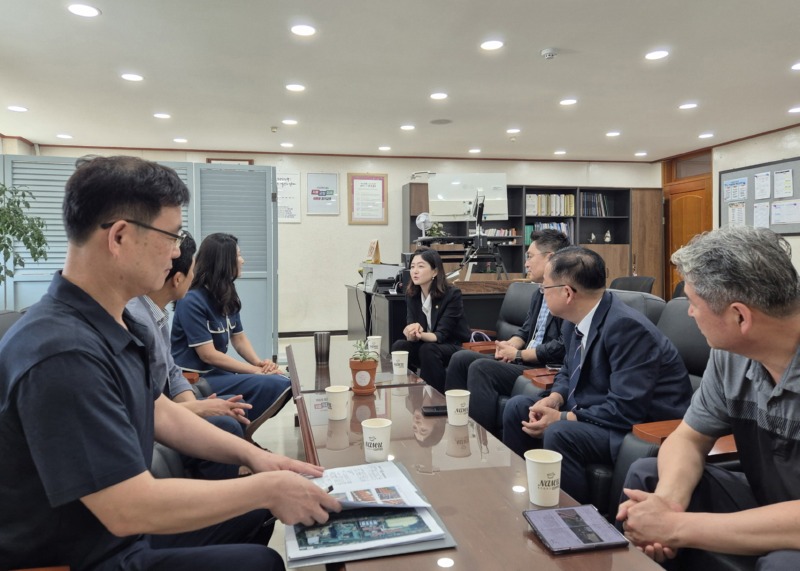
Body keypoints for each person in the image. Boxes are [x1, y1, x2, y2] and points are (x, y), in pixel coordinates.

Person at [0, 156, 340, 571]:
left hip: (116, 533)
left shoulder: (122, 321)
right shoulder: (61, 352)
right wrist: (267, 488)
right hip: (80, 554)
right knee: (261, 562)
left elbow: (161, 412)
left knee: (256, 517)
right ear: (120, 237)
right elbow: (128, 508)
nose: (179, 253)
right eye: (172, 236)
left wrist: (257, 459)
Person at [617, 226, 800, 570]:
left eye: (694, 303)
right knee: (648, 475)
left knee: (785, 563)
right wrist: (667, 504)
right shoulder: (731, 355)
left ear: (740, 316)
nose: (689, 313)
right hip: (766, 500)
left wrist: (677, 527)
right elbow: (688, 437)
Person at [501, 246, 691, 503]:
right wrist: (555, 398)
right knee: (518, 407)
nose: (542, 294)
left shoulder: (627, 328)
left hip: (636, 427)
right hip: (595, 409)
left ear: (567, 293)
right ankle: (523, 493)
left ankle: (574, 518)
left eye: (545, 288)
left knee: (560, 432)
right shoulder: (573, 320)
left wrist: (563, 416)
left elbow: (625, 408)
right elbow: (568, 369)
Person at [127, 231, 251, 480]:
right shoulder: (138, 319)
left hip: (170, 406)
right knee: (227, 421)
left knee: (230, 409)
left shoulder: (155, 313)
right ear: (178, 278)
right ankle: (220, 504)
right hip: (153, 420)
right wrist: (197, 409)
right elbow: (148, 403)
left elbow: (171, 371)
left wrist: (193, 406)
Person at [444, 229, 569, 436]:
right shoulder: (539, 291)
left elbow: (561, 347)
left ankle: (483, 439)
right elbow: (526, 329)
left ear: (550, 258)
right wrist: (510, 345)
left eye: (530, 256)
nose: (526, 263)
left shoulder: (564, 294)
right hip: (524, 359)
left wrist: (519, 355)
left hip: (542, 367)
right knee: (460, 358)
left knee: (481, 368)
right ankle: (454, 423)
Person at [171, 233, 291, 432]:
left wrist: (260, 363)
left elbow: (239, 338)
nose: (242, 260)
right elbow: (208, 355)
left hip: (217, 373)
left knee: (284, 380)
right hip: (196, 379)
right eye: (238, 255)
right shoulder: (192, 300)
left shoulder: (226, 292)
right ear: (224, 262)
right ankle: (243, 436)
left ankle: (245, 435)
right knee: (274, 384)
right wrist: (255, 371)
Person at [390, 246, 471, 393]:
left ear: (435, 271)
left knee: (428, 350)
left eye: (421, 266)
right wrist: (410, 332)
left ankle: (435, 397)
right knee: (400, 346)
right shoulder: (412, 295)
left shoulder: (452, 295)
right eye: (412, 266)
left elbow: (441, 335)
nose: (414, 271)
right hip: (428, 345)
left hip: (452, 346)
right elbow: (411, 326)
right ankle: (407, 393)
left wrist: (419, 335)